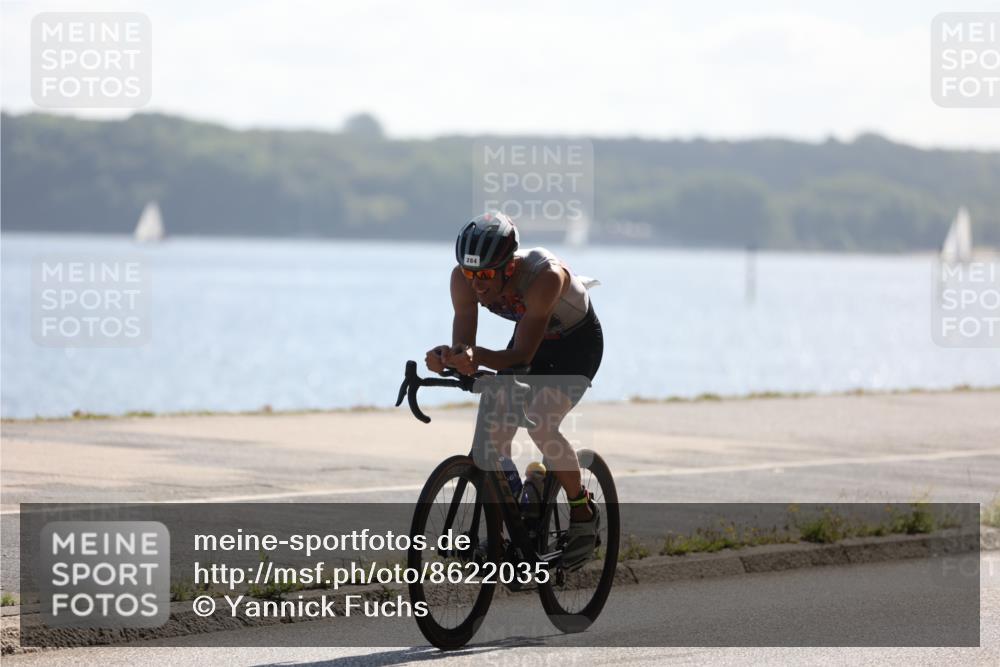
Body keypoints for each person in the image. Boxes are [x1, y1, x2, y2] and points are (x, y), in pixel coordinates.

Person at [425, 211, 604, 565]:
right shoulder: (462, 280)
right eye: (470, 272)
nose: (477, 283)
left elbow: (521, 354)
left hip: (574, 345)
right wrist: (450, 358)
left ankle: (583, 509)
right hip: (531, 335)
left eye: (487, 274)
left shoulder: (544, 277)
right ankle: (515, 522)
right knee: (495, 433)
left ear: (510, 266)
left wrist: (474, 358)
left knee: (540, 421)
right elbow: (467, 348)